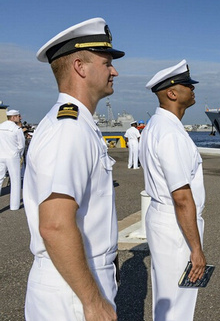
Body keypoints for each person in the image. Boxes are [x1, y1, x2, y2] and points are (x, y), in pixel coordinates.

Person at [23, 17, 125, 320]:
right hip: (73, 290)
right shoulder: (70, 129)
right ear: (80, 66)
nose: (114, 70)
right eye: (106, 63)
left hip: (75, 278)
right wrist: (92, 302)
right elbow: (54, 224)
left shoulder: (75, 123)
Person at [139, 59, 207, 320]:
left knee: (167, 300)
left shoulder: (156, 127)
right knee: (178, 304)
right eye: (188, 85)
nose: (193, 90)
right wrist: (196, 249)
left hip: (163, 219)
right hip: (176, 225)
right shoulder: (170, 134)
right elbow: (181, 197)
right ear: (172, 93)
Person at [0, 109, 25, 210]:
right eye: (19, 116)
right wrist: (19, 154)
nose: (20, 118)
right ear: (14, 117)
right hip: (12, 156)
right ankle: (14, 206)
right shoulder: (16, 129)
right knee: (15, 181)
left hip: (0, 155)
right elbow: (21, 145)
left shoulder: (0, 127)